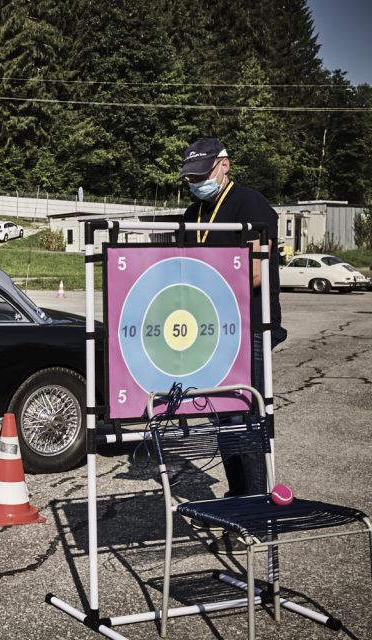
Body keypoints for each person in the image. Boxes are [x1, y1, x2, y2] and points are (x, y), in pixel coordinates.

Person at [179, 138, 289, 554]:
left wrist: (210, 285)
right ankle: (238, 495)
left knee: (247, 416)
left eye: (203, 175)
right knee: (223, 417)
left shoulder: (251, 205)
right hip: (211, 329)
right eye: (190, 177)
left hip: (250, 326)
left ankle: (255, 510)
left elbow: (258, 272)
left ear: (224, 165)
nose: (196, 184)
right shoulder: (194, 212)